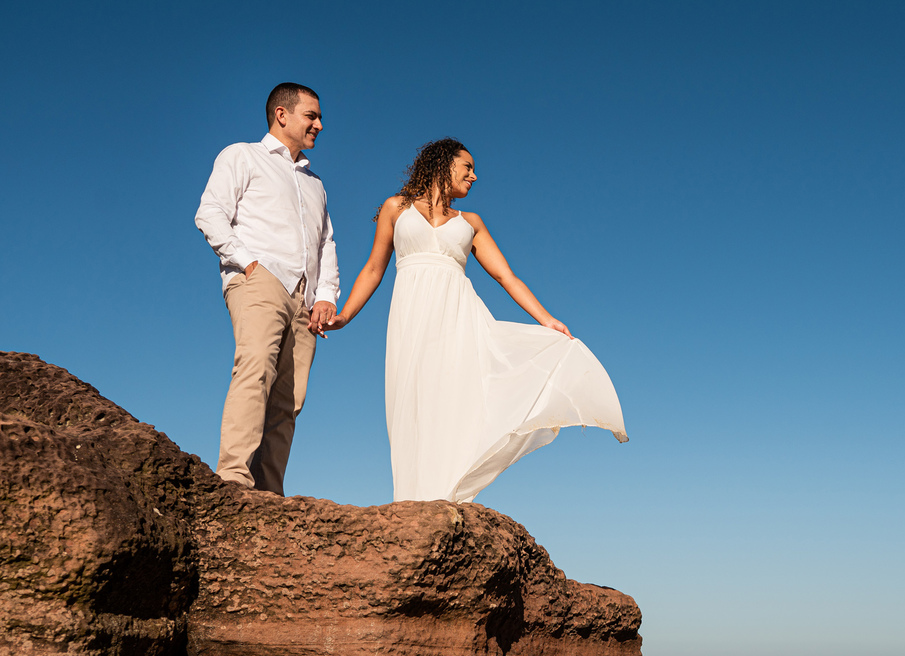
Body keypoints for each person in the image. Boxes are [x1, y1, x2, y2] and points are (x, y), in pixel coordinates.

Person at [325, 138, 626, 502]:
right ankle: (412, 500)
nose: (475, 175)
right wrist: (344, 316)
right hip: (410, 318)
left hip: (458, 319)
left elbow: (506, 277)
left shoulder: (471, 222)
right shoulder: (396, 208)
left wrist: (547, 319)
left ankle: (448, 496)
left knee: (454, 400)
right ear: (442, 164)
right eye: (467, 167)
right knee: (409, 402)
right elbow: (374, 268)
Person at [195, 82, 340, 494]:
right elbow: (210, 213)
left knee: (290, 399)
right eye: (311, 116)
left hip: (305, 296)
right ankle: (233, 479)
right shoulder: (242, 155)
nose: (319, 125)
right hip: (259, 279)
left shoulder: (315, 182)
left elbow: (325, 241)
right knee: (256, 366)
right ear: (282, 114)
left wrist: (326, 294)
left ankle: (269, 494)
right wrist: (247, 262)